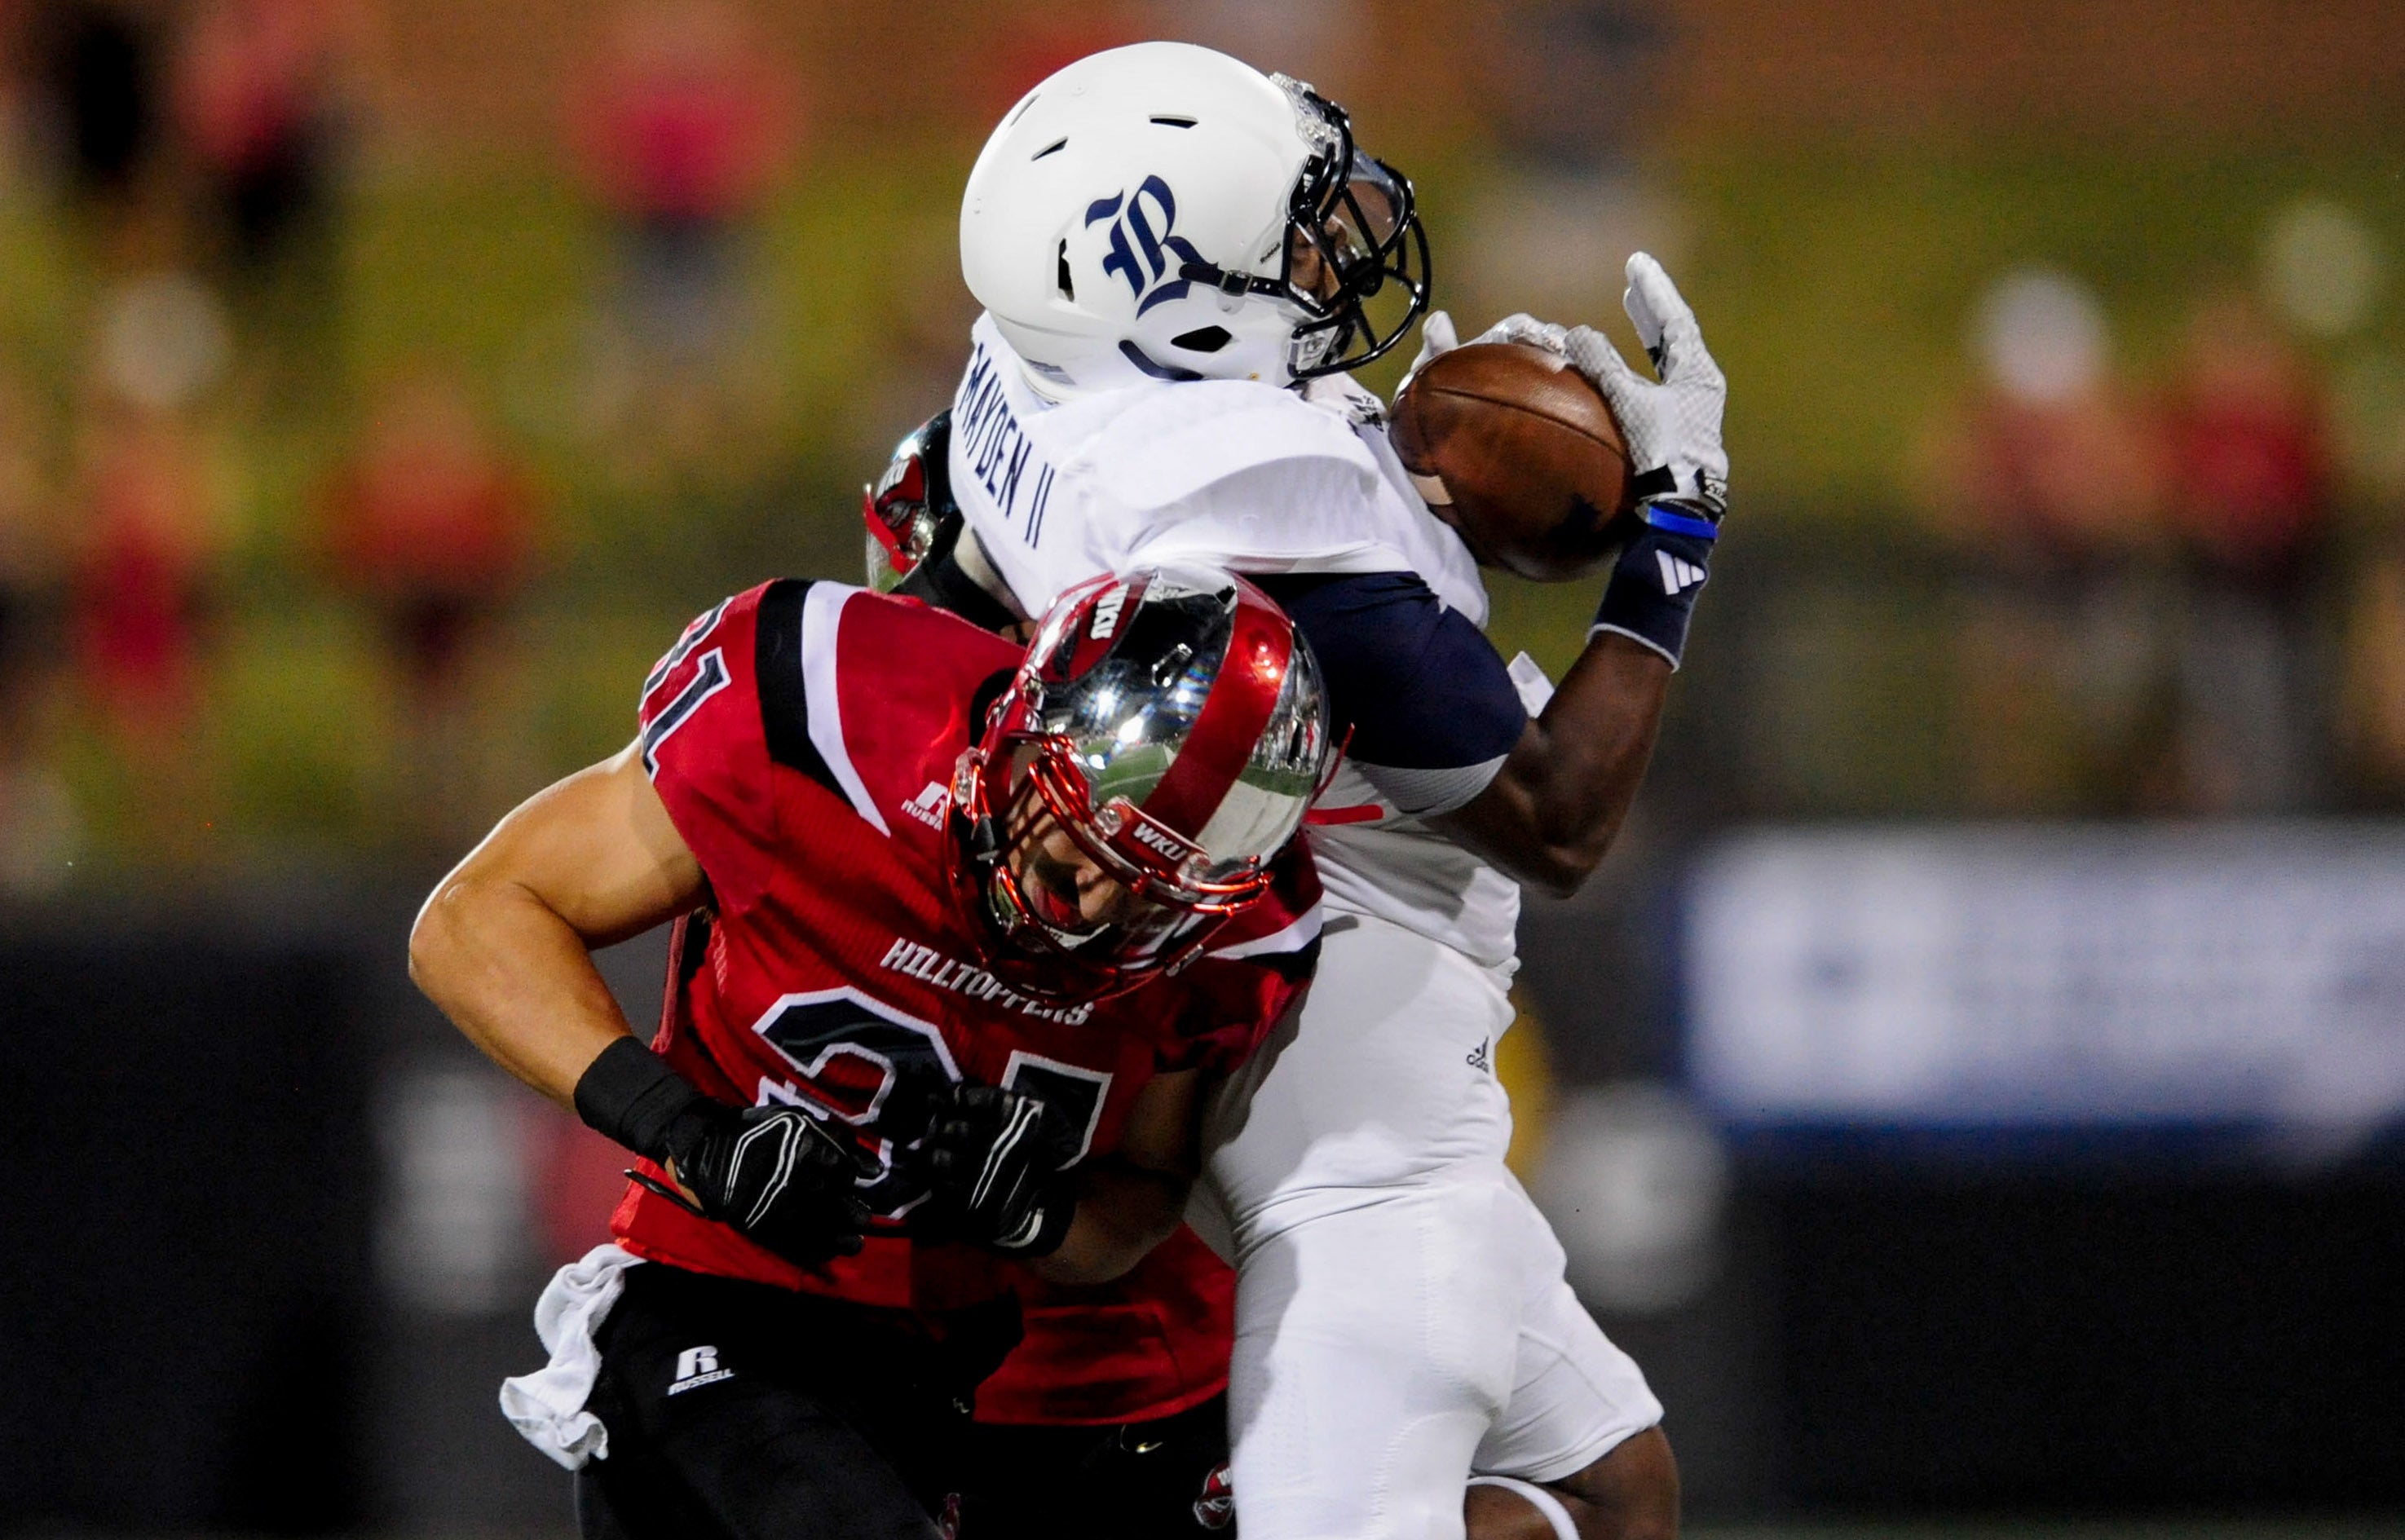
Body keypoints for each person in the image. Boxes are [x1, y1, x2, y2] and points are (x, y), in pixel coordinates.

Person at [873, 41, 1724, 1540]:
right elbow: (1563, 821)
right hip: (1350, 1155)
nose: (1333, 251)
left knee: (1615, 1484)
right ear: (1175, 294)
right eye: (1291, 237)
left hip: (1187, 1053)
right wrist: (1673, 536)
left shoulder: (1024, 370)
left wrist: (1401, 455)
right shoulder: (1272, 519)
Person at [409, 564, 1335, 1538]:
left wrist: (1039, 1209)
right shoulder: (833, 708)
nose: (1096, 909)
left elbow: (1144, 1190)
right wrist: (691, 1130)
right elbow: (474, 920)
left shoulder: (1242, 941)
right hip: (716, 1298)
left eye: (1152, 895)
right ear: (1023, 732)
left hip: (931, 1371)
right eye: (1081, 849)